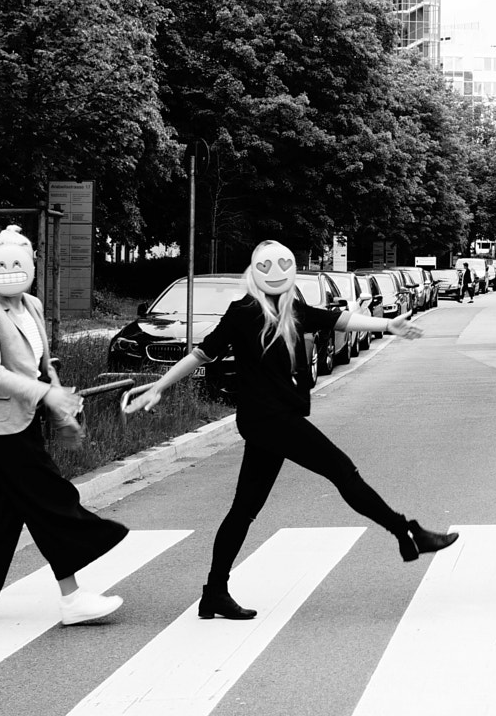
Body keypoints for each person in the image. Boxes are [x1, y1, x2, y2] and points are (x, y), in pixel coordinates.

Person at [126, 240, 458, 621]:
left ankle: (214, 592)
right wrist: (158, 387)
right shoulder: (243, 311)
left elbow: (337, 320)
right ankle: (406, 533)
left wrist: (388, 325)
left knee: (244, 509)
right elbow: (203, 353)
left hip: (268, 421)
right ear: (257, 273)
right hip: (272, 420)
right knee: (342, 471)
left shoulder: (291, 309)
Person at [0, 227, 129, 635]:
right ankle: (73, 594)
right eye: (3, 260)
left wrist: (61, 412)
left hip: (27, 422)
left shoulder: (33, 305)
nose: (12, 267)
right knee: (51, 500)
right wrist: (47, 396)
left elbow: (44, 366)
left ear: (31, 265)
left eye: (20, 258)